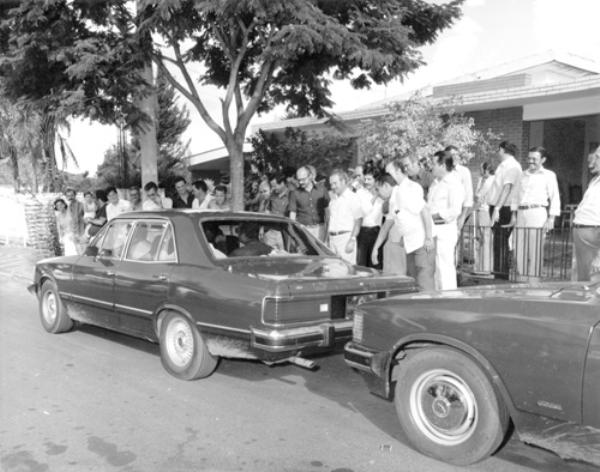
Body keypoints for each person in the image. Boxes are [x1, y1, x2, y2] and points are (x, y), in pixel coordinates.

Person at [373, 158, 435, 291]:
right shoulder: (396, 193)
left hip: (422, 242)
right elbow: (388, 223)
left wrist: (429, 237)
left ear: (397, 171)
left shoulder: (411, 188)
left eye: (389, 171)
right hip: (410, 244)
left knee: (424, 282)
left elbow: (424, 211)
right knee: (414, 282)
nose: (387, 175)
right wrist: (376, 248)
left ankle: (429, 310)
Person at [509, 146, 560, 281]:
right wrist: (513, 215)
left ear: (543, 160)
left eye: (534, 159)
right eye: (529, 158)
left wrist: (551, 219)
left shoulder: (549, 175)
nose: (530, 161)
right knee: (519, 248)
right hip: (521, 213)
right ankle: (522, 279)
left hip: (537, 213)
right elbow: (515, 196)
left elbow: (554, 197)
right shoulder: (522, 175)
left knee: (535, 250)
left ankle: (533, 283)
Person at [428, 151, 464, 290]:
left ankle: (449, 296)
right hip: (433, 229)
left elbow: (455, 210)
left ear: (443, 165)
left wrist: (434, 216)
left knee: (444, 266)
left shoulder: (453, 183)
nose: (431, 167)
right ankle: (437, 296)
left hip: (445, 229)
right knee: (435, 267)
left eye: (434, 163)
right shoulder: (435, 183)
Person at [488, 141, 522, 279]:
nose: (497, 153)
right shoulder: (503, 166)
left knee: (501, 243)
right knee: (498, 243)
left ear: (502, 150)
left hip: (504, 208)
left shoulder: (512, 166)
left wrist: (497, 208)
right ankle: (498, 272)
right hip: (498, 206)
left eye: (498, 150)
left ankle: (502, 276)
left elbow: (507, 188)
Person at [572, 144, 600, 281]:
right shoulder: (595, 181)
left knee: (593, 279)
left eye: (598, 158)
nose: (593, 163)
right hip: (582, 234)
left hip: (594, 234)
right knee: (581, 279)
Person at [372, 174, 407, 275]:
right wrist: (376, 248)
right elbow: (386, 226)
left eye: (378, 189)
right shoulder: (392, 200)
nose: (377, 194)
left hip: (401, 243)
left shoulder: (400, 195)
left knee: (400, 278)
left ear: (386, 186)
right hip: (394, 241)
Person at [327, 169, 363, 264]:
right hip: (332, 240)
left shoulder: (352, 198)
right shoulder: (333, 200)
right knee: (333, 270)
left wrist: (352, 239)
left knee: (346, 270)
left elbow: (358, 220)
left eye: (335, 183)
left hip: (345, 239)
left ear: (343, 181)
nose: (333, 186)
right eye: (331, 184)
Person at [289, 166, 329, 241]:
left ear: (310, 176)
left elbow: (327, 214)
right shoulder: (294, 193)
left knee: (321, 252)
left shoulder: (322, 190)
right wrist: (295, 234)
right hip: (304, 229)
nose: (301, 182)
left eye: (303, 179)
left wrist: (327, 233)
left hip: (320, 229)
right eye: (299, 180)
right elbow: (292, 216)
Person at [355, 163, 383, 268]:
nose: (366, 182)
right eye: (365, 179)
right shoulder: (360, 193)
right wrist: (375, 196)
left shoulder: (383, 192)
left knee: (376, 263)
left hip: (377, 232)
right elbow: (364, 211)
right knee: (362, 265)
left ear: (375, 180)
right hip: (363, 232)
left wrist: (379, 194)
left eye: (369, 179)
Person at [445, 145, 474, 231]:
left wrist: (462, 217)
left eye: (456, 154)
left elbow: (468, 195)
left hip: (459, 211)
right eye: (452, 155)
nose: (455, 157)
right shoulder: (443, 171)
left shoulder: (464, 172)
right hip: (444, 211)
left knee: (455, 237)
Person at [473, 162, 494, 274]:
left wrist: (480, 183)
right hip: (482, 210)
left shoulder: (489, 181)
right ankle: (481, 266)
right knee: (482, 239)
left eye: (482, 169)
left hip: (485, 211)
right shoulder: (484, 180)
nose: (480, 172)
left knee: (485, 238)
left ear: (486, 170)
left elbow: (478, 196)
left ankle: (486, 267)